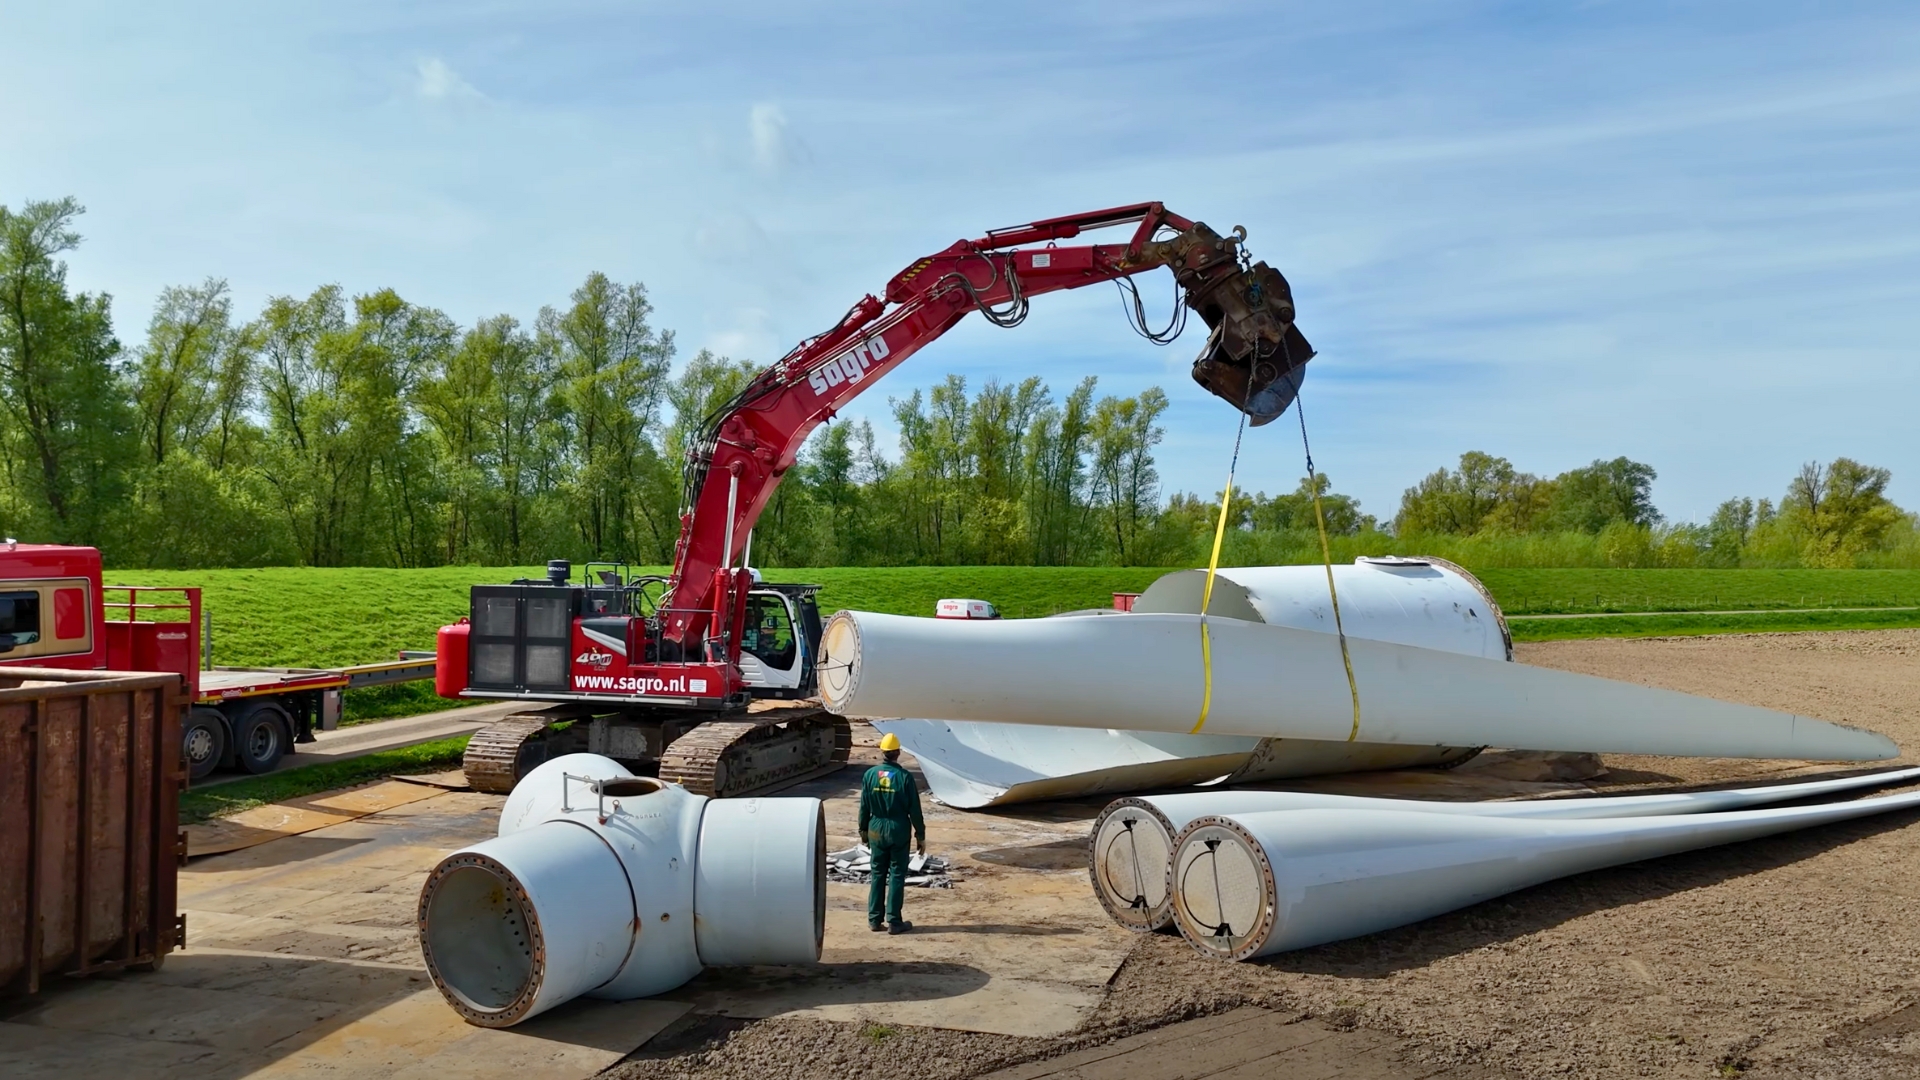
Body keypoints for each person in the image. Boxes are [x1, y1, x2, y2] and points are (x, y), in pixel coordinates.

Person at [858, 732, 926, 934]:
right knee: (897, 874)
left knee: (877, 873)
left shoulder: (870, 776)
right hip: (898, 829)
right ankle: (894, 921)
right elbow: (915, 810)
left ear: (883, 753)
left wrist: (863, 831)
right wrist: (920, 836)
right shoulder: (905, 777)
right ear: (897, 753)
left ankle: (874, 919)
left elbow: (863, 807)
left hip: (876, 828)